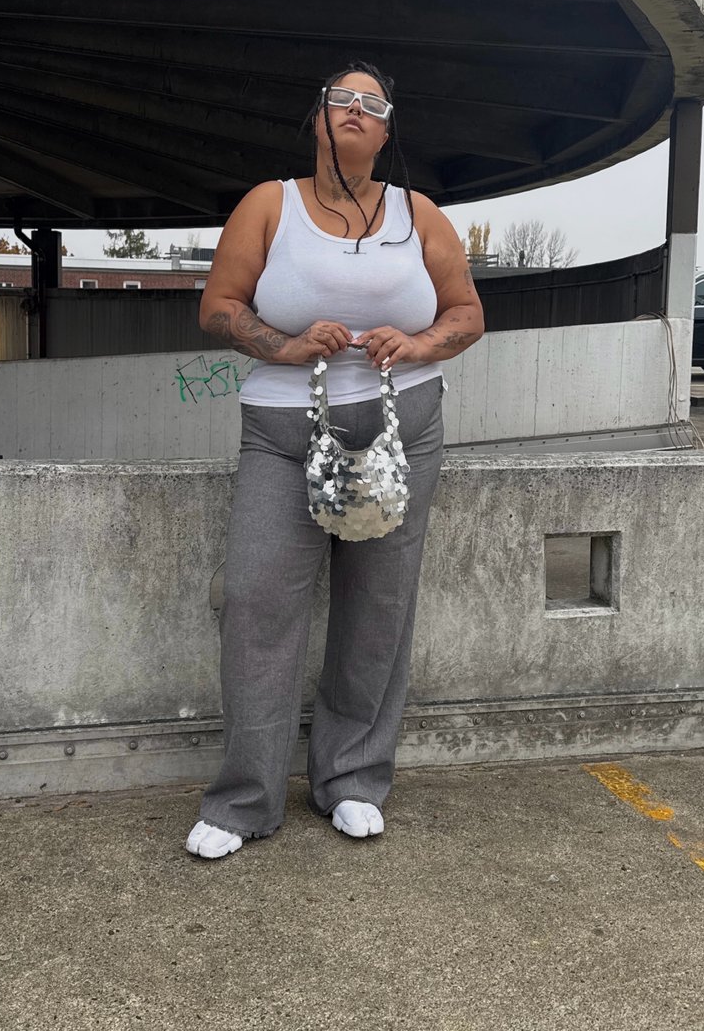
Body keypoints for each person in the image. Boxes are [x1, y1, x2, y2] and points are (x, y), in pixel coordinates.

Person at [186, 61, 484, 859]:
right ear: (317, 117)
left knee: (378, 607)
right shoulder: (268, 204)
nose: (355, 109)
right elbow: (218, 308)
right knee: (256, 599)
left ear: (386, 131)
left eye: (372, 103)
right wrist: (282, 345)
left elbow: (467, 313)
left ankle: (352, 779)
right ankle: (245, 799)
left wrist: (418, 343)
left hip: (403, 432)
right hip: (283, 435)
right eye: (341, 99)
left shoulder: (419, 214)